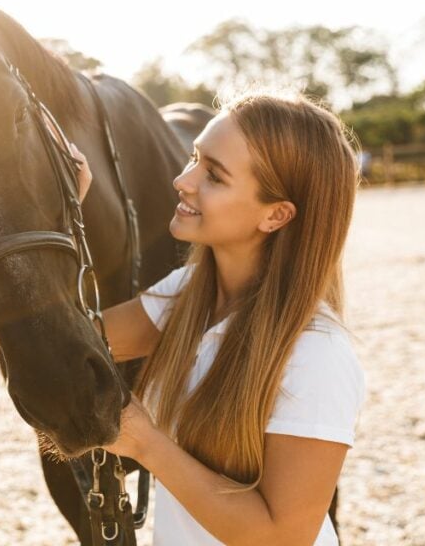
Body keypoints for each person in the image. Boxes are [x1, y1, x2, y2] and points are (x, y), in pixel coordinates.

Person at [71, 89, 366, 546]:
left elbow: (284, 537)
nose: (183, 180)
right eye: (194, 158)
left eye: (214, 175)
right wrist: (66, 214)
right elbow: (69, 347)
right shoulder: (188, 297)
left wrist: (147, 444)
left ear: (276, 215)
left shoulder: (316, 353)